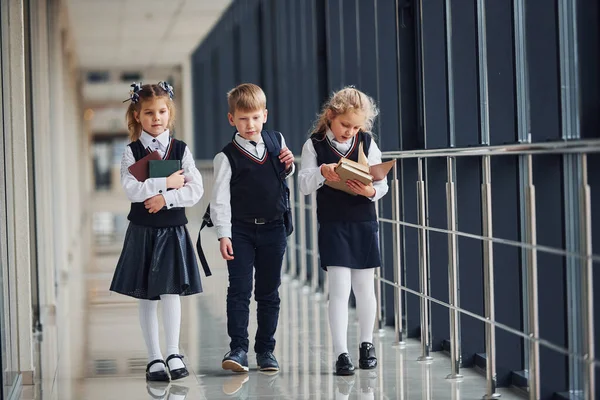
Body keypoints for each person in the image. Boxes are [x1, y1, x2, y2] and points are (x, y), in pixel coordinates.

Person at [110, 82, 204, 382]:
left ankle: (174, 352)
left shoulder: (181, 150)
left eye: (162, 111)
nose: (156, 118)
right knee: (148, 297)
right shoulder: (131, 152)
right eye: (148, 112)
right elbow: (131, 190)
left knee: (171, 292)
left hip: (172, 229)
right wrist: (167, 183)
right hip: (144, 231)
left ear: (170, 113)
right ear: (138, 116)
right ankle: (153, 358)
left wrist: (166, 198)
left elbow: (196, 190)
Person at [298, 86, 388, 375]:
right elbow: (303, 185)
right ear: (330, 117)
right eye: (344, 125)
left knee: (364, 287)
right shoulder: (314, 145)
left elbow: (381, 184)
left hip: (363, 221)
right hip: (333, 223)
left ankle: (366, 344)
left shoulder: (367, 142)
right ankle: (341, 352)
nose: (349, 131)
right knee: (338, 288)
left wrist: (369, 190)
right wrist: (322, 173)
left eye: (355, 126)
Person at [211, 83, 294, 373]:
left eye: (256, 117)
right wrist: (224, 234)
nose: (251, 124)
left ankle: (266, 351)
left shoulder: (276, 141)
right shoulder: (226, 157)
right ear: (231, 119)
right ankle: (238, 349)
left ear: (265, 115)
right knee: (240, 290)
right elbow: (219, 199)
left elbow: (284, 172)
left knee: (269, 292)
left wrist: (290, 164)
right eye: (244, 118)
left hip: (273, 229)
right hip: (241, 232)